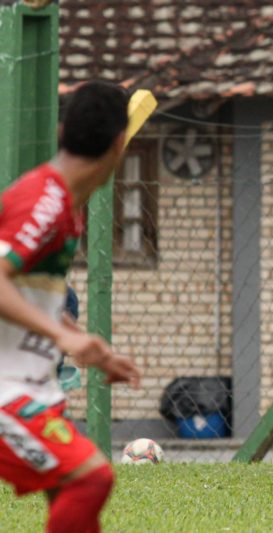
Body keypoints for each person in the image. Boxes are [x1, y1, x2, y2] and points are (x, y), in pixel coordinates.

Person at [0, 81, 141, 532]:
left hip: (28, 382)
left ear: (63, 131)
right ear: (119, 144)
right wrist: (63, 336)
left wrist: (82, 341)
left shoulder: (67, 205)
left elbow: (24, 293)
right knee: (90, 478)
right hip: (7, 389)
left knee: (75, 493)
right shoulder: (46, 202)